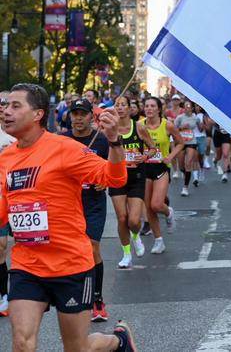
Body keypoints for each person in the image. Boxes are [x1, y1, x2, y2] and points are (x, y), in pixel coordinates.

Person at [0, 83, 137, 351]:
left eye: (15, 106)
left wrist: (114, 142)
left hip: (70, 264)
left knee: (77, 347)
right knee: (21, 342)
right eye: (5, 106)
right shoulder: (5, 158)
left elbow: (114, 177)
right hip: (27, 266)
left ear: (38, 114)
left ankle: (118, 341)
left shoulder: (65, 148)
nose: (6, 111)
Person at [62, 99, 112, 323]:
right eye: (75, 113)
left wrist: (106, 180)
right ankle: (74, 294)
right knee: (72, 251)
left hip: (93, 202)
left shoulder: (101, 140)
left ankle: (97, 300)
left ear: (91, 116)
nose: (78, 118)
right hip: (68, 203)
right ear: (70, 116)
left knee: (92, 248)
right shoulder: (61, 140)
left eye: (83, 113)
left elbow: (112, 167)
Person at [110, 96, 154, 270]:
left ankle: (135, 235)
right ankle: (126, 254)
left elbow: (152, 148)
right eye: (117, 105)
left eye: (123, 105)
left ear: (129, 108)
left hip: (136, 177)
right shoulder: (110, 130)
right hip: (116, 178)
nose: (120, 108)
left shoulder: (139, 128)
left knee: (134, 220)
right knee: (122, 218)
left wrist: (145, 156)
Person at [143, 97, 183, 254]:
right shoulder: (140, 125)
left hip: (161, 168)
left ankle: (169, 212)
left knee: (157, 204)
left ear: (159, 109)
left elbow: (180, 143)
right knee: (148, 208)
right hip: (145, 168)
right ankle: (159, 241)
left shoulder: (167, 125)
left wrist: (170, 157)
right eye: (146, 106)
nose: (149, 109)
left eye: (152, 106)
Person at [0, 91, 15, 317]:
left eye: (8, 104)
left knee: (2, 246)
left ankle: (4, 293)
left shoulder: (18, 136)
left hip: (16, 198)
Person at [175, 101, 204, 196]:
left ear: (192, 108)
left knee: (188, 164)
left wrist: (202, 125)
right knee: (181, 166)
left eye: (189, 107)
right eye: (185, 107)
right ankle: (186, 173)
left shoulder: (195, 118)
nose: (187, 108)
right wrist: (181, 128)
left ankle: (185, 187)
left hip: (192, 142)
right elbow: (173, 130)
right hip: (181, 143)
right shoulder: (180, 118)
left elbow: (201, 129)